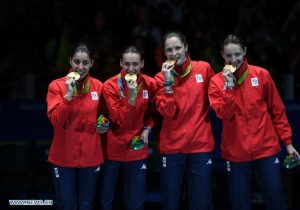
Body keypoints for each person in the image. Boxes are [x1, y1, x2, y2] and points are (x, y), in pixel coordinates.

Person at [208, 34, 299, 210]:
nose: (234, 60)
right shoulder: (216, 82)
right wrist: (229, 88)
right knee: (240, 204)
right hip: (236, 153)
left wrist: (288, 144)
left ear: (245, 52)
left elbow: (277, 111)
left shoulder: (261, 75)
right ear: (222, 55)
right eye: (229, 55)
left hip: (266, 150)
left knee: (276, 200)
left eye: (237, 54)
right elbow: (224, 114)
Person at [153, 31, 215, 210]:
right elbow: (168, 112)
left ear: (186, 47)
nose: (174, 53)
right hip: (172, 147)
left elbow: (216, 99)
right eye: (169, 50)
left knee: (201, 201)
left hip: (200, 146)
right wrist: (167, 83)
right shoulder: (159, 79)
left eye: (178, 48)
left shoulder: (204, 69)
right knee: (170, 202)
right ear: (165, 53)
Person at [46, 43, 107, 210]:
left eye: (85, 63)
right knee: (67, 205)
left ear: (92, 63)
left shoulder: (99, 87)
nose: (81, 67)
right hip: (63, 159)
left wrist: (104, 124)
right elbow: (56, 121)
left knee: (87, 205)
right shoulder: (56, 86)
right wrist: (68, 97)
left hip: (91, 158)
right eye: (77, 62)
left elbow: (105, 116)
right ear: (70, 61)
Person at [99, 46, 157, 210]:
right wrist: (131, 98)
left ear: (142, 64)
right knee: (107, 201)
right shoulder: (109, 86)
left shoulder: (150, 84)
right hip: (113, 150)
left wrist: (147, 129)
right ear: (120, 63)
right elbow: (118, 119)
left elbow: (153, 115)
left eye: (135, 64)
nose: (131, 69)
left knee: (136, 202)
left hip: (137, 149)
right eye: (126, 64)